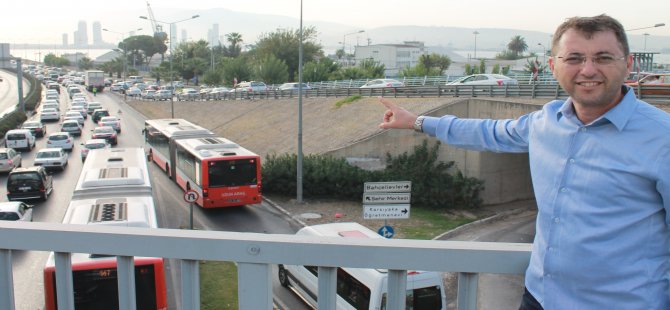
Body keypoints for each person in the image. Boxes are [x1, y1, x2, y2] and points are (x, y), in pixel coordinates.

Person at [379, 14, 670, 309]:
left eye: (603, 57)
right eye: (574, 58)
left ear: (629, 63)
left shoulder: (662, 138)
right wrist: (418, 122)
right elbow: (488, 133)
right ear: (553, 66)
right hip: (539, 298)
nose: (588, 69)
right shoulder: (547, 121)